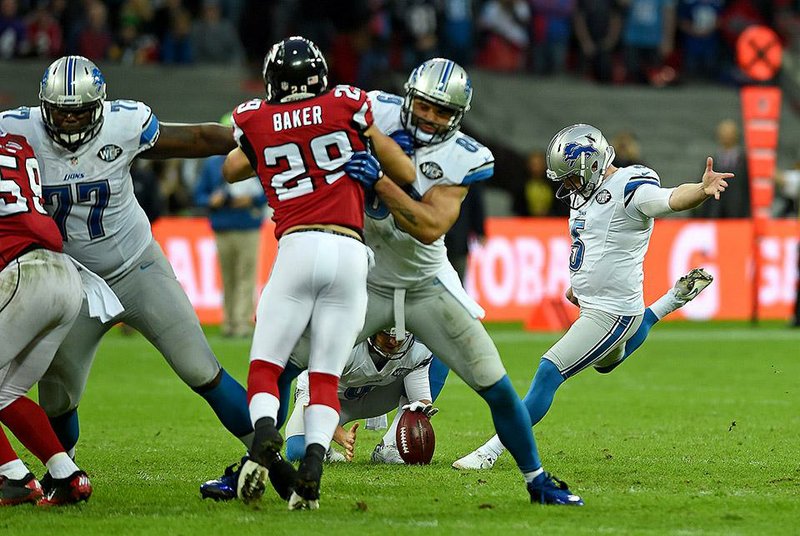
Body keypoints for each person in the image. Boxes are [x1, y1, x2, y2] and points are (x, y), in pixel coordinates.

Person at [329, 58, 585, 505]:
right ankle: (257, 462)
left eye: (443, 112)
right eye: (425, 105)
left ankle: (537, 480)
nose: (431, 117)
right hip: (366, 274)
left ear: (459, 118)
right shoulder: (370, 112)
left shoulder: (466, 155)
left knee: (493, 379)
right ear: (409, 98)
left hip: (424, 278)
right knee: (292, 361)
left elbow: (429, 225)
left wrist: (382, 182)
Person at [0, 55, 255, 465]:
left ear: (99, 106)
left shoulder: (125, 123)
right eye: (60, 114)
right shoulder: (15, 127)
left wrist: (250, 137)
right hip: (74, 284)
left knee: (200, 368)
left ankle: (266, 454)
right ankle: (62, 473)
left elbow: (193, 140)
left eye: (78, 113)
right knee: (58, 398)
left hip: (137, 267)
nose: (68, 123)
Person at [452, 123, 728, 471]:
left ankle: (490, 451)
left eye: (571, 177)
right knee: (608, 363)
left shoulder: (630, 185)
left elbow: (669, 198)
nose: (567, 186)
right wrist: (578, 284)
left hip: (612, 312)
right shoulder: (585, 194)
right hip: (600, 307)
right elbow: (594, 242)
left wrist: (701, 190)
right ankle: (669, 301)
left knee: (549, 371)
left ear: (593, 164)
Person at [221, 36, 415, 510]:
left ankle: (265, 434)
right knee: (326, 373)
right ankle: (312, 464)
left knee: (267, 365)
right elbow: (403, 168)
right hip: (350, 251)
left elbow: (230, 169)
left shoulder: (254, 116)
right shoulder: (346, 103)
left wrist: (275, 143)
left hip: (297, 243)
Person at [0, 130, 117, 506]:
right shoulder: (16, 141)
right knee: (7, 392)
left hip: (24, 273)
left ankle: (13, 478)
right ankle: (68, 476)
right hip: (66, 276)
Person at [284, 329, 436, 464]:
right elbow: (313, 399)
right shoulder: (344, 343)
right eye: (387, 335)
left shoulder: (416, 347)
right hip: (330, 401)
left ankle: (391, 445)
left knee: (440, 358)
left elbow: (420, 398)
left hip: (376, 395)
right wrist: (338, 434)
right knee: (298, 452)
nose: (394, 341)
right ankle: (325, 449)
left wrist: (419, 412)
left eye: (400, 335)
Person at [194, 114, 267, 339]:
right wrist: (211, 201)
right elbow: (199, 195)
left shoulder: (251, 159)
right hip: (225, 226)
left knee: (244, 276)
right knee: (230, 277)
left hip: (246, 225)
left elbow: (267, 190)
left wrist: (252, 200)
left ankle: (242, 323)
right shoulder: (214, 164)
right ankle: (229, 322)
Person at [696, 119, 749, 218]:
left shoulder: (745, 161)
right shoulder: (711, 161)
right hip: (714, 213)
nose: (726, 136)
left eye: (729, 133)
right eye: (723, 133)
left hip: (738, 214)